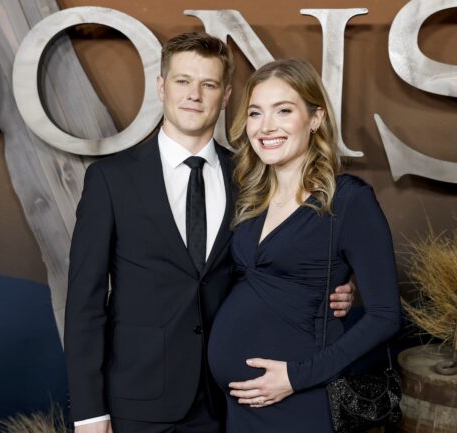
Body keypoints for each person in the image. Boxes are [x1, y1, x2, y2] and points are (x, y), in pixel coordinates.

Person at [64, 34, 355, 433]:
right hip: (138, 402)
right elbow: (85, 304)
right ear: (162, 87)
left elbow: (279, 265)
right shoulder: (111, 180)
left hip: (231, 399)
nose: (194, 95)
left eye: (209, 84)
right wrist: (89, 413)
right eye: (183, 81)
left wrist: (337, 285)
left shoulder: (254, 179)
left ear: (226, 95)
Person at [207, 59, 402, 433]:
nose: (266, 126)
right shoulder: (249, 198)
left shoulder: (348, 200)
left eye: (284, 110)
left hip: (299, 398)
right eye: (255, 113)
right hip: (240, 406)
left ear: (315, 118)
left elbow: (385, 316)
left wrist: (296, 378)